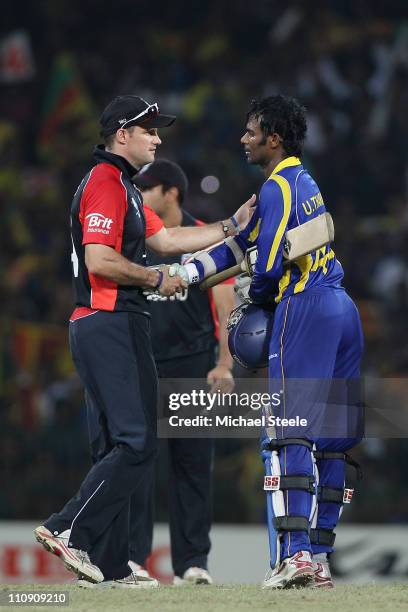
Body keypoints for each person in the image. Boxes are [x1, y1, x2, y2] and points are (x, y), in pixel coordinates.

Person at [34, 95, 256, 588]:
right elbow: (99, 260)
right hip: (108, 320)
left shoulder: (125, 189)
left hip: (112, 322)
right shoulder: (107, 183)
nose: (157, 139)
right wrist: (156, 281)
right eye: (149, 131)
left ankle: (113, 567)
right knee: (137, 442)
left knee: (123, 443)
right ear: (121, 134)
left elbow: (168, 241)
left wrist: (231, 226)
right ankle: (68, 528)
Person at [179, 95, 364, 589]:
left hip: (303, 305)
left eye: (250, 130)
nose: (243, 139)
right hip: (342, 306)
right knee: (333, 441)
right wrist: (181, 275)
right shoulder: (305, 182)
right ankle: (321, 556)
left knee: (284, 434)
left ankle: (294, 556)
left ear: (273, 137)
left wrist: (257, 296)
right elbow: (237, 246)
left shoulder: (276, 186)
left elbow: (263, 266)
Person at [128, 159, 235, 586]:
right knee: (135, 464)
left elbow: (227, 308)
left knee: (191, 466)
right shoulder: (133, 239)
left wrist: (224, 363)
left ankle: (192, 564)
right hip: (142, 364)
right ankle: (132, 560)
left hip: (192, 367)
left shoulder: (205, 238)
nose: (138, 197)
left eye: (146, 189)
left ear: (171, 192)